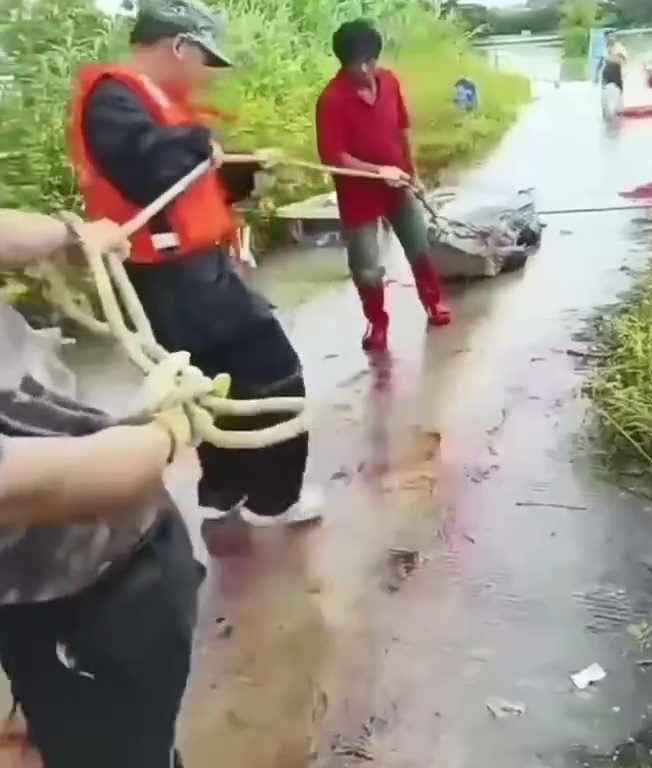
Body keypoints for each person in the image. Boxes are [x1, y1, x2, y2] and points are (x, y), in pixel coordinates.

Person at [69, 0, 319, 526]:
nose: (205, 75)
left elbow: (182, 184)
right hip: (174, 276)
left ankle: (222, 492)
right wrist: (201, 142)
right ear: (179, 46)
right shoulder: (114, 98)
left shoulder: (150, 102)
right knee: (273, 371)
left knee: (213, 382)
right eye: (204, 59)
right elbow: (150, 169)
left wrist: (242, 167)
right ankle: (274, 499)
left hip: (186, 270)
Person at [0, 209, 202, 767]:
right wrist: (167, 431)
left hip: (115, 558)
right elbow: (57, 484)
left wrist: (70, 235)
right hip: (72, 591)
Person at [315, 19, 452, 354]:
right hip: (358, 196)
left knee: (419, 246)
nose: (365, 69)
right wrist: (378, 171)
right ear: (344, 63)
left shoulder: (389, 83)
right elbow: (335, 156)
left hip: (399, 186)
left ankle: (433, 303)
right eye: (357, 64)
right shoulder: (331, 100)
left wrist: (412, 174)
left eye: (369, 61)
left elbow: (402, 131)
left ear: (376, 59)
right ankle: (377, 322)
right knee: (366, 267)